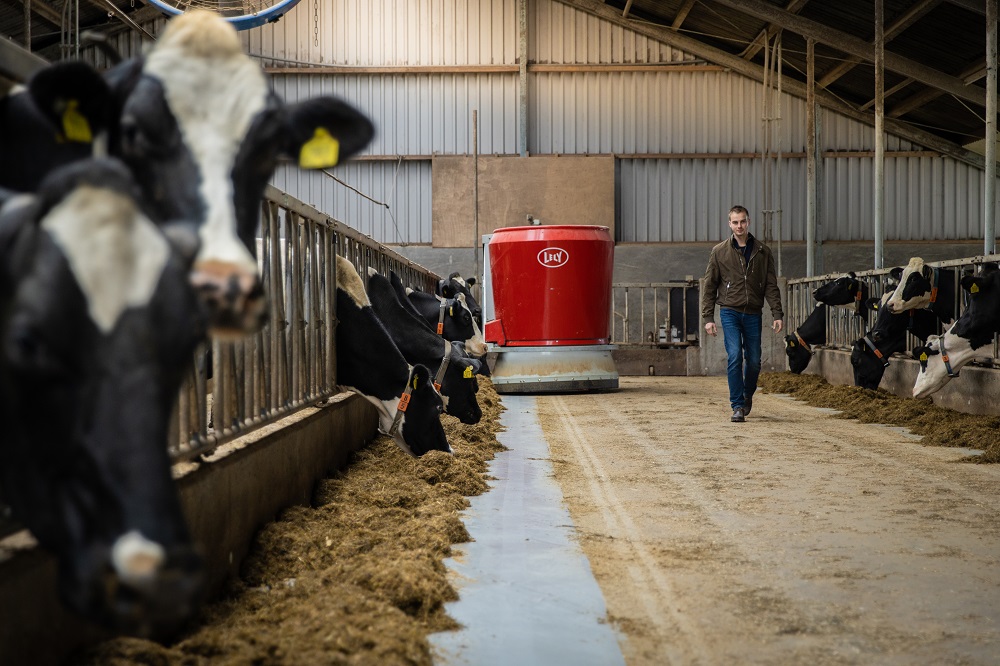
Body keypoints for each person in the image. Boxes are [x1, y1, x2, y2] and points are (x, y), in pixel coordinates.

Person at [701, 205, 784, 423]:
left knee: (755, 361)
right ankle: (737, 405)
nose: (739, 226)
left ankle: (747, 395)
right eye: (735, 222)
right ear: (729, 224)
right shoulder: (719, 252)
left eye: (743, 221)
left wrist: (777, 313)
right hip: (729, 311)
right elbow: (710, 286)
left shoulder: (763, 251)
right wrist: (708, 318)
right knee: (735, 356)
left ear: (748, 222)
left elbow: (770, 285)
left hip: (753, 313)